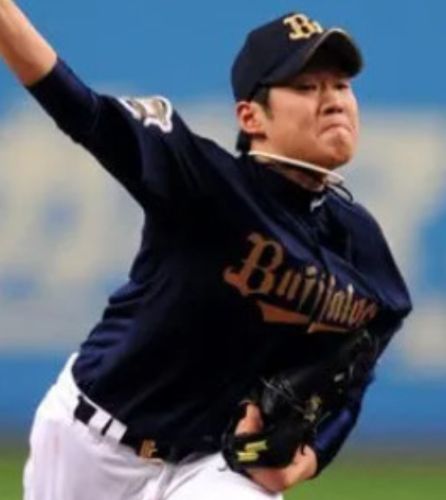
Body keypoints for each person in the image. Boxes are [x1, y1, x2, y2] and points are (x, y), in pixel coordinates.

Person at [0, 2, 412, 499]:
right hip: (89, 443)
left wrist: (309, 458)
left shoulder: (358, 245)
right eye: (306, 87)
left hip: (212, 465)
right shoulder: (203, 182)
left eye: (341, 86)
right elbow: (81, 109)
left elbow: (357, 366)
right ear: (251, 116)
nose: (334, 101)